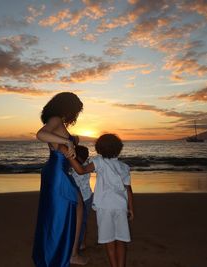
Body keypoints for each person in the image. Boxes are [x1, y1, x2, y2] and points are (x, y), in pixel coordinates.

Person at [60, 134, 134, 267]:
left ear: (99, 149)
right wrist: (131, 209)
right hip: (121, 206)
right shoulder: (124, 167)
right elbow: (128, 189)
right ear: (119, 149)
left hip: (105, 207)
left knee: (109, 241)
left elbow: (81, 170)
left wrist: (68, 155)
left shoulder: (99, 161)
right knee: (121, 240)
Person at [32, 92, 87, 267]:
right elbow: (40, 135)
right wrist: (69, 142)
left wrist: (71, 140)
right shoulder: (55, 119)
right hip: (57, 172)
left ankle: (69, 252)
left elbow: (56, 141)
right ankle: (71, 254)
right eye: (76, 111)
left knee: (72, 207)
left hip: (56, 170)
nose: (76, 115)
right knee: (66, 209)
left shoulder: (57, 121)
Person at [70, 145, 93, 250]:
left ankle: (79, 243)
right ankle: (82, 243)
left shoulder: (73, 168)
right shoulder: (88, 164)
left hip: (79, 198)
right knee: (83, 222)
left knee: (77, 222)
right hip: (87, 197)